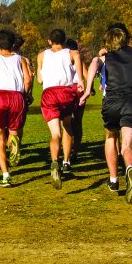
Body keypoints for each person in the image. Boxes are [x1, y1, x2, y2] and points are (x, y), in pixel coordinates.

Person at [79, 25, 132, 204]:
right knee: (127, 145)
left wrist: (88, 89)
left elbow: (94, 62)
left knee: (110, 137)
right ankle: (130, 168)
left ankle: (114, 180)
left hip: (112, 102)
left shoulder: (105, 57)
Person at [0, 30, 32, 187]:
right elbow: (28, 78)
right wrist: (25, 94)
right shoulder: (21, 59)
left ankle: (6, 175)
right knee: (13, 131)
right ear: (13, 45)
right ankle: (14, 142)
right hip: (16, 96)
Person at [37, 29, 83, 189]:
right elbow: (80, 76)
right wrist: (82, 82)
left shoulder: (41, 55)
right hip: (66, 93)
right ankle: (66, 162)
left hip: (49, 94)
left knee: (55, 133)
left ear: (49, 41)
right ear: (64, 41)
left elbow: (40, 80)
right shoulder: (73, 53)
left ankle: (55, 161)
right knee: (68, 126)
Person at [66, 39, 91, 162]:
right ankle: (75, 151)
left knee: (66, 122)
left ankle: (67, 151)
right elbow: (86, 75)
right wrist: (90, 89)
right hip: (79, 90)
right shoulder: (79, 59)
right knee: (78, 122)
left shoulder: (65, 58)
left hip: (67, 89)